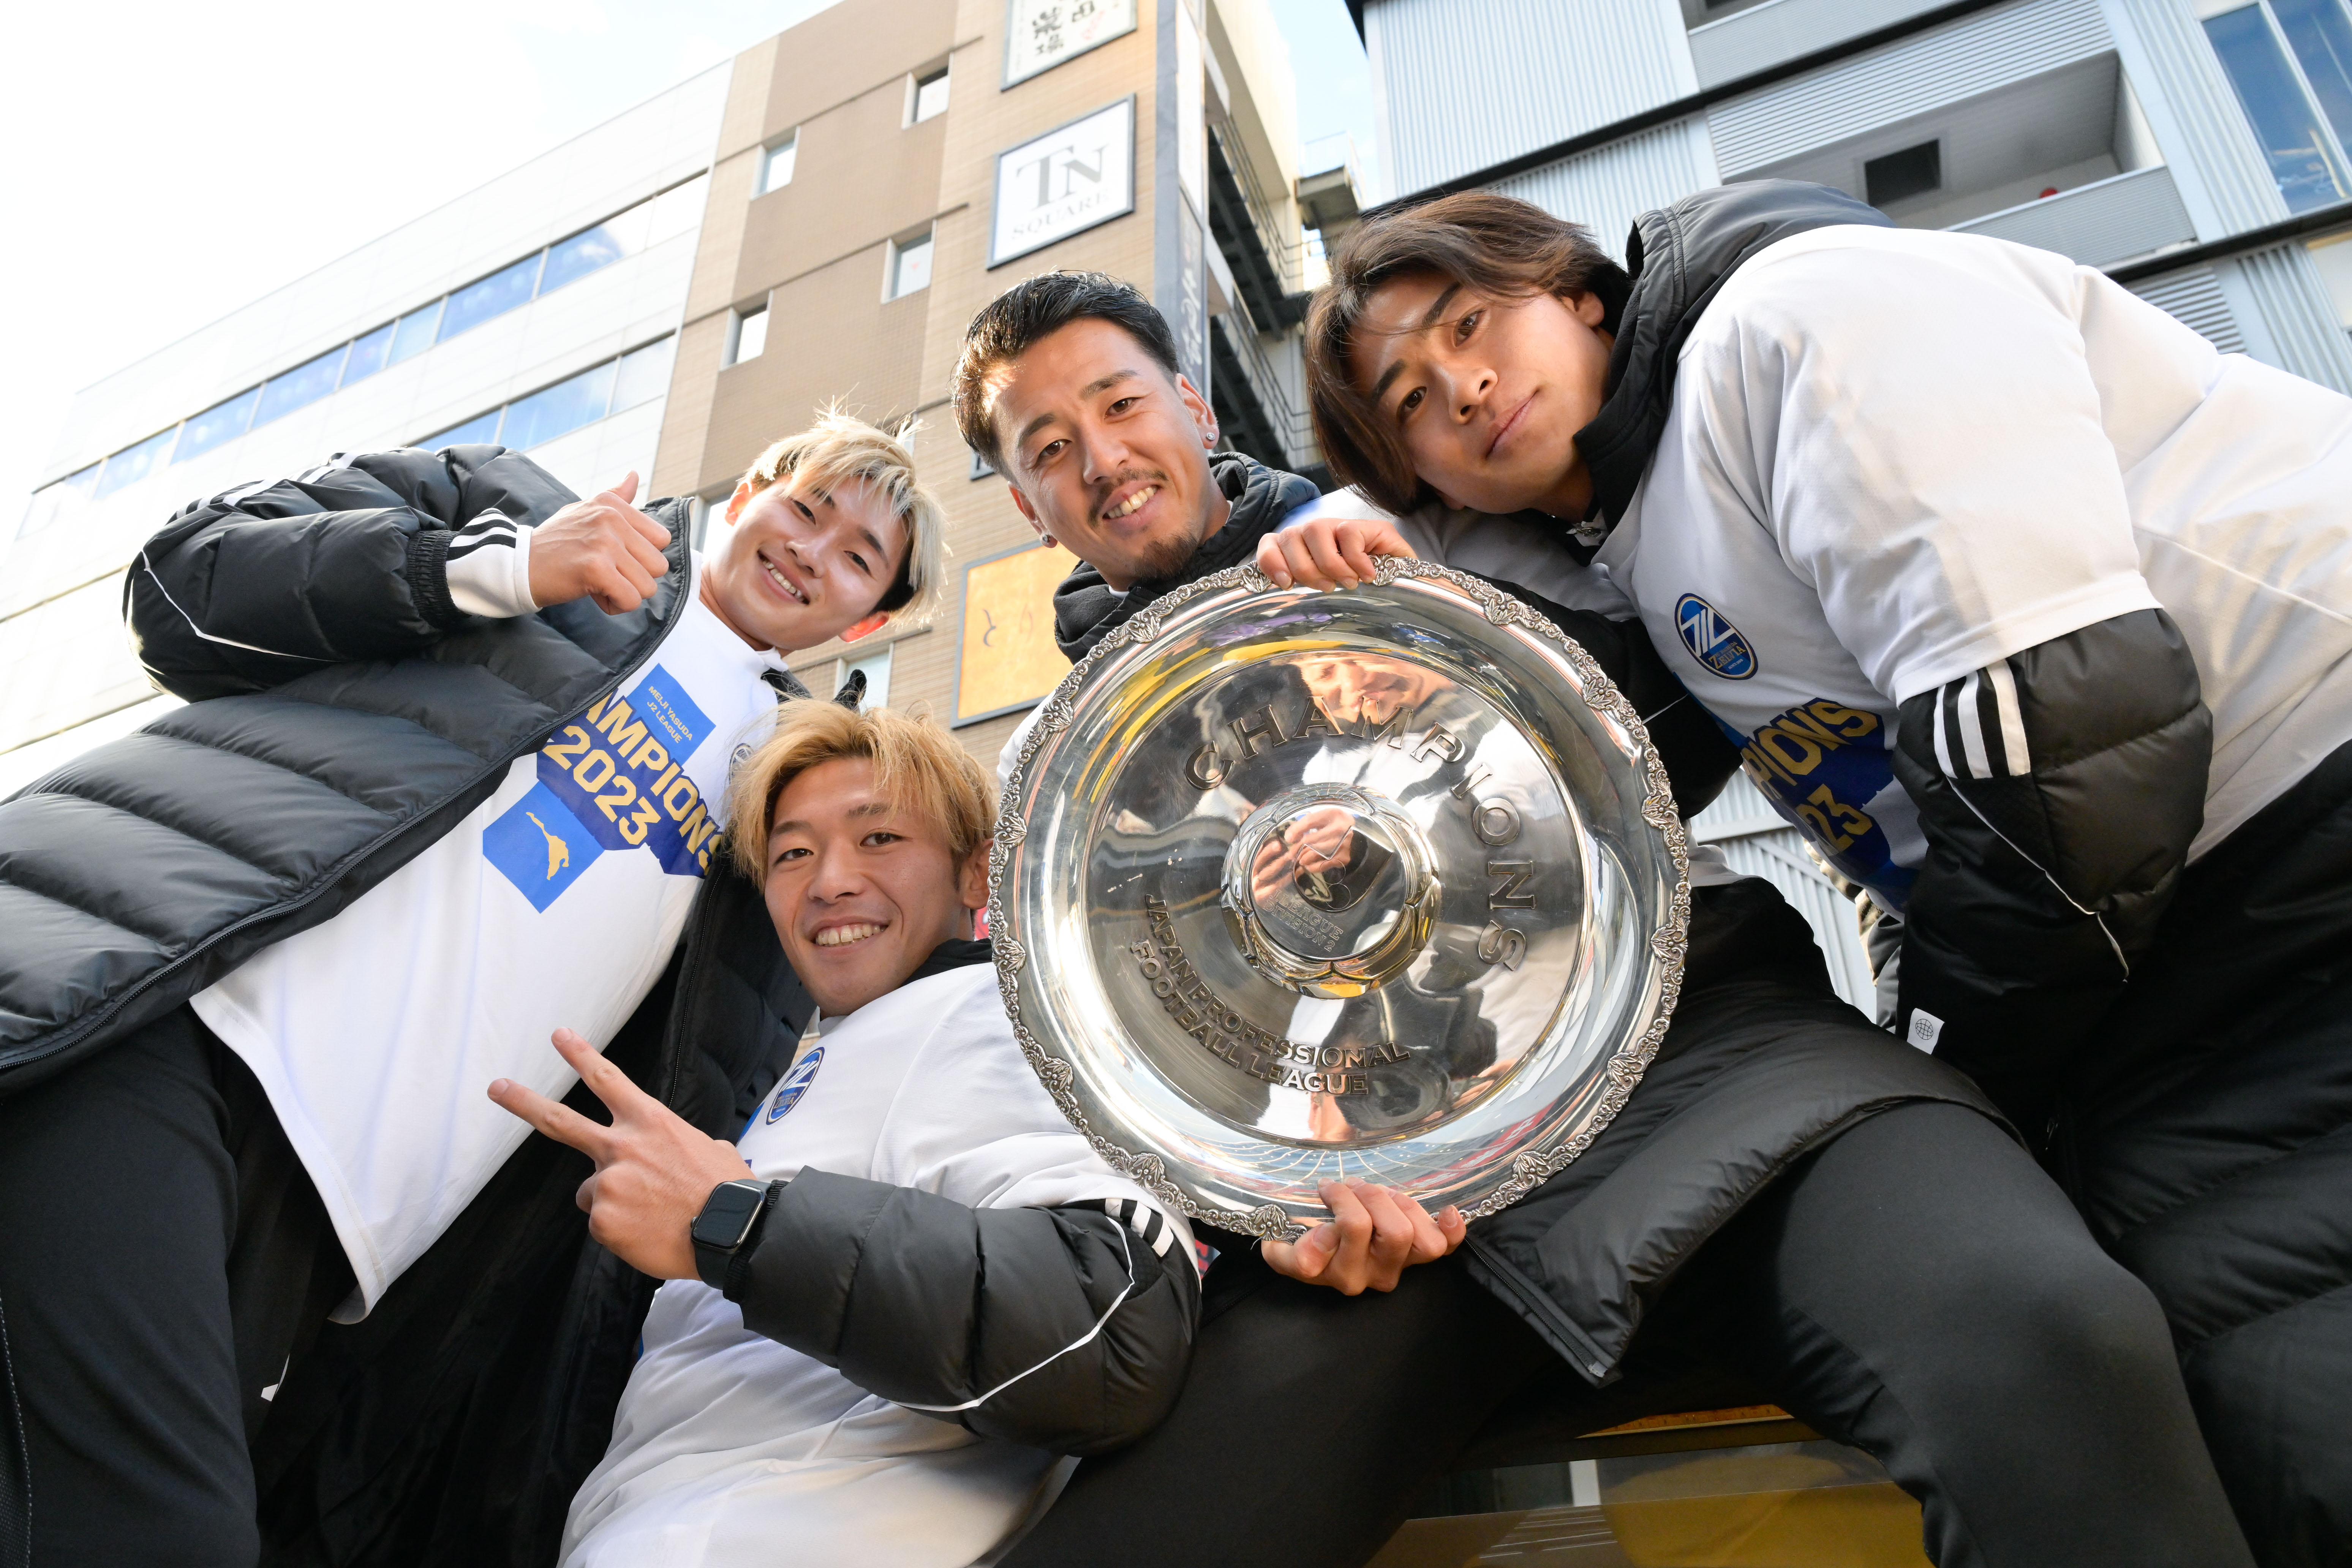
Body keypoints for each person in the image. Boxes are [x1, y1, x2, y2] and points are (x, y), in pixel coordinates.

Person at [948, 270, 2258, 1568]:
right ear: (1024, 503)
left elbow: (1696, 711)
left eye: (1120, 404)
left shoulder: (1418, 513)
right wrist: (1270, 1220)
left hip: (1709, 1052)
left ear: (1190, 403)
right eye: (1049, 448)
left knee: (2051, 1338)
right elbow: (1141, 1082)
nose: (1102, 459)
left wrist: (1435, 621)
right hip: (1406, 1215)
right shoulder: (1065, 787)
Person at [1301, 182, 2352, 1565]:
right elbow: (1576, 729)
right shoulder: (1634, 542)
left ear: (1580, 294)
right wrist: (1344, 538)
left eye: (1469, 324)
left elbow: (2064, 754)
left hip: (2294, 818)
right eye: (1411, 402)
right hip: (2170, 963)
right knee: (2260, 1414)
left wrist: (1955, 1059)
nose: (1463, 385)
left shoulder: (1795, 323)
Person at [0, 412, 941, 1565]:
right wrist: (496, 568)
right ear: (747, 493)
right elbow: (183, 584)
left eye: (858, 555)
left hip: (346, 1231)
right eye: (805, 507)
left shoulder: (792, 791)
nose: (812, 549)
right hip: (184, 1028)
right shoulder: (522, 515)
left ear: (870, 617)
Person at [488, 699, 1199, 1568]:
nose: (829, 881)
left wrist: (734, 1220)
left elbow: (1111, 1320)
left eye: (880, 838)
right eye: (793, 854)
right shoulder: (838, 1053)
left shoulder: (1001, 1013)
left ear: (978, 876)